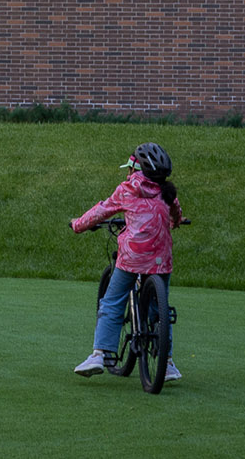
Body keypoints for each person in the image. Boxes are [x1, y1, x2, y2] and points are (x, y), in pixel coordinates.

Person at [70, 142, 184, 381]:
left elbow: (102, 210)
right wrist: (175, 222)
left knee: (112, 302)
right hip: (161, 259)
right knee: (159, 310)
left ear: (135, 169)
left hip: (132, 258)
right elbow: (176, 214)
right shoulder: (167, 191)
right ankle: (169, 363)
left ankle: (99, 354)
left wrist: (78, 225)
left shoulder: (127, 190)